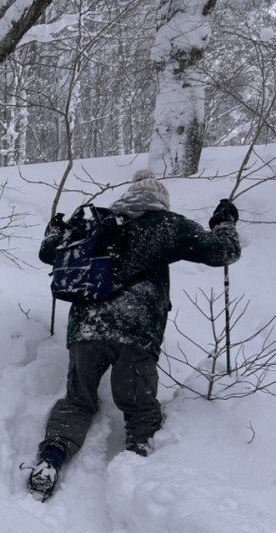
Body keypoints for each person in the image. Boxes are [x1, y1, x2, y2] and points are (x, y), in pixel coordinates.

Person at [27, 169, 241, 499]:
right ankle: (141, 482)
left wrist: (55, 230)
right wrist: (224, 223)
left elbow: (47, 253)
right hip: (135, 330)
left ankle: (51, 458)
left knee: (78, 401)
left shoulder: (97, 222)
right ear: (160, 200)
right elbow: (223, 252)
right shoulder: (167, 224)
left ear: (129, 195)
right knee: (139, 407)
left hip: (87, 328)